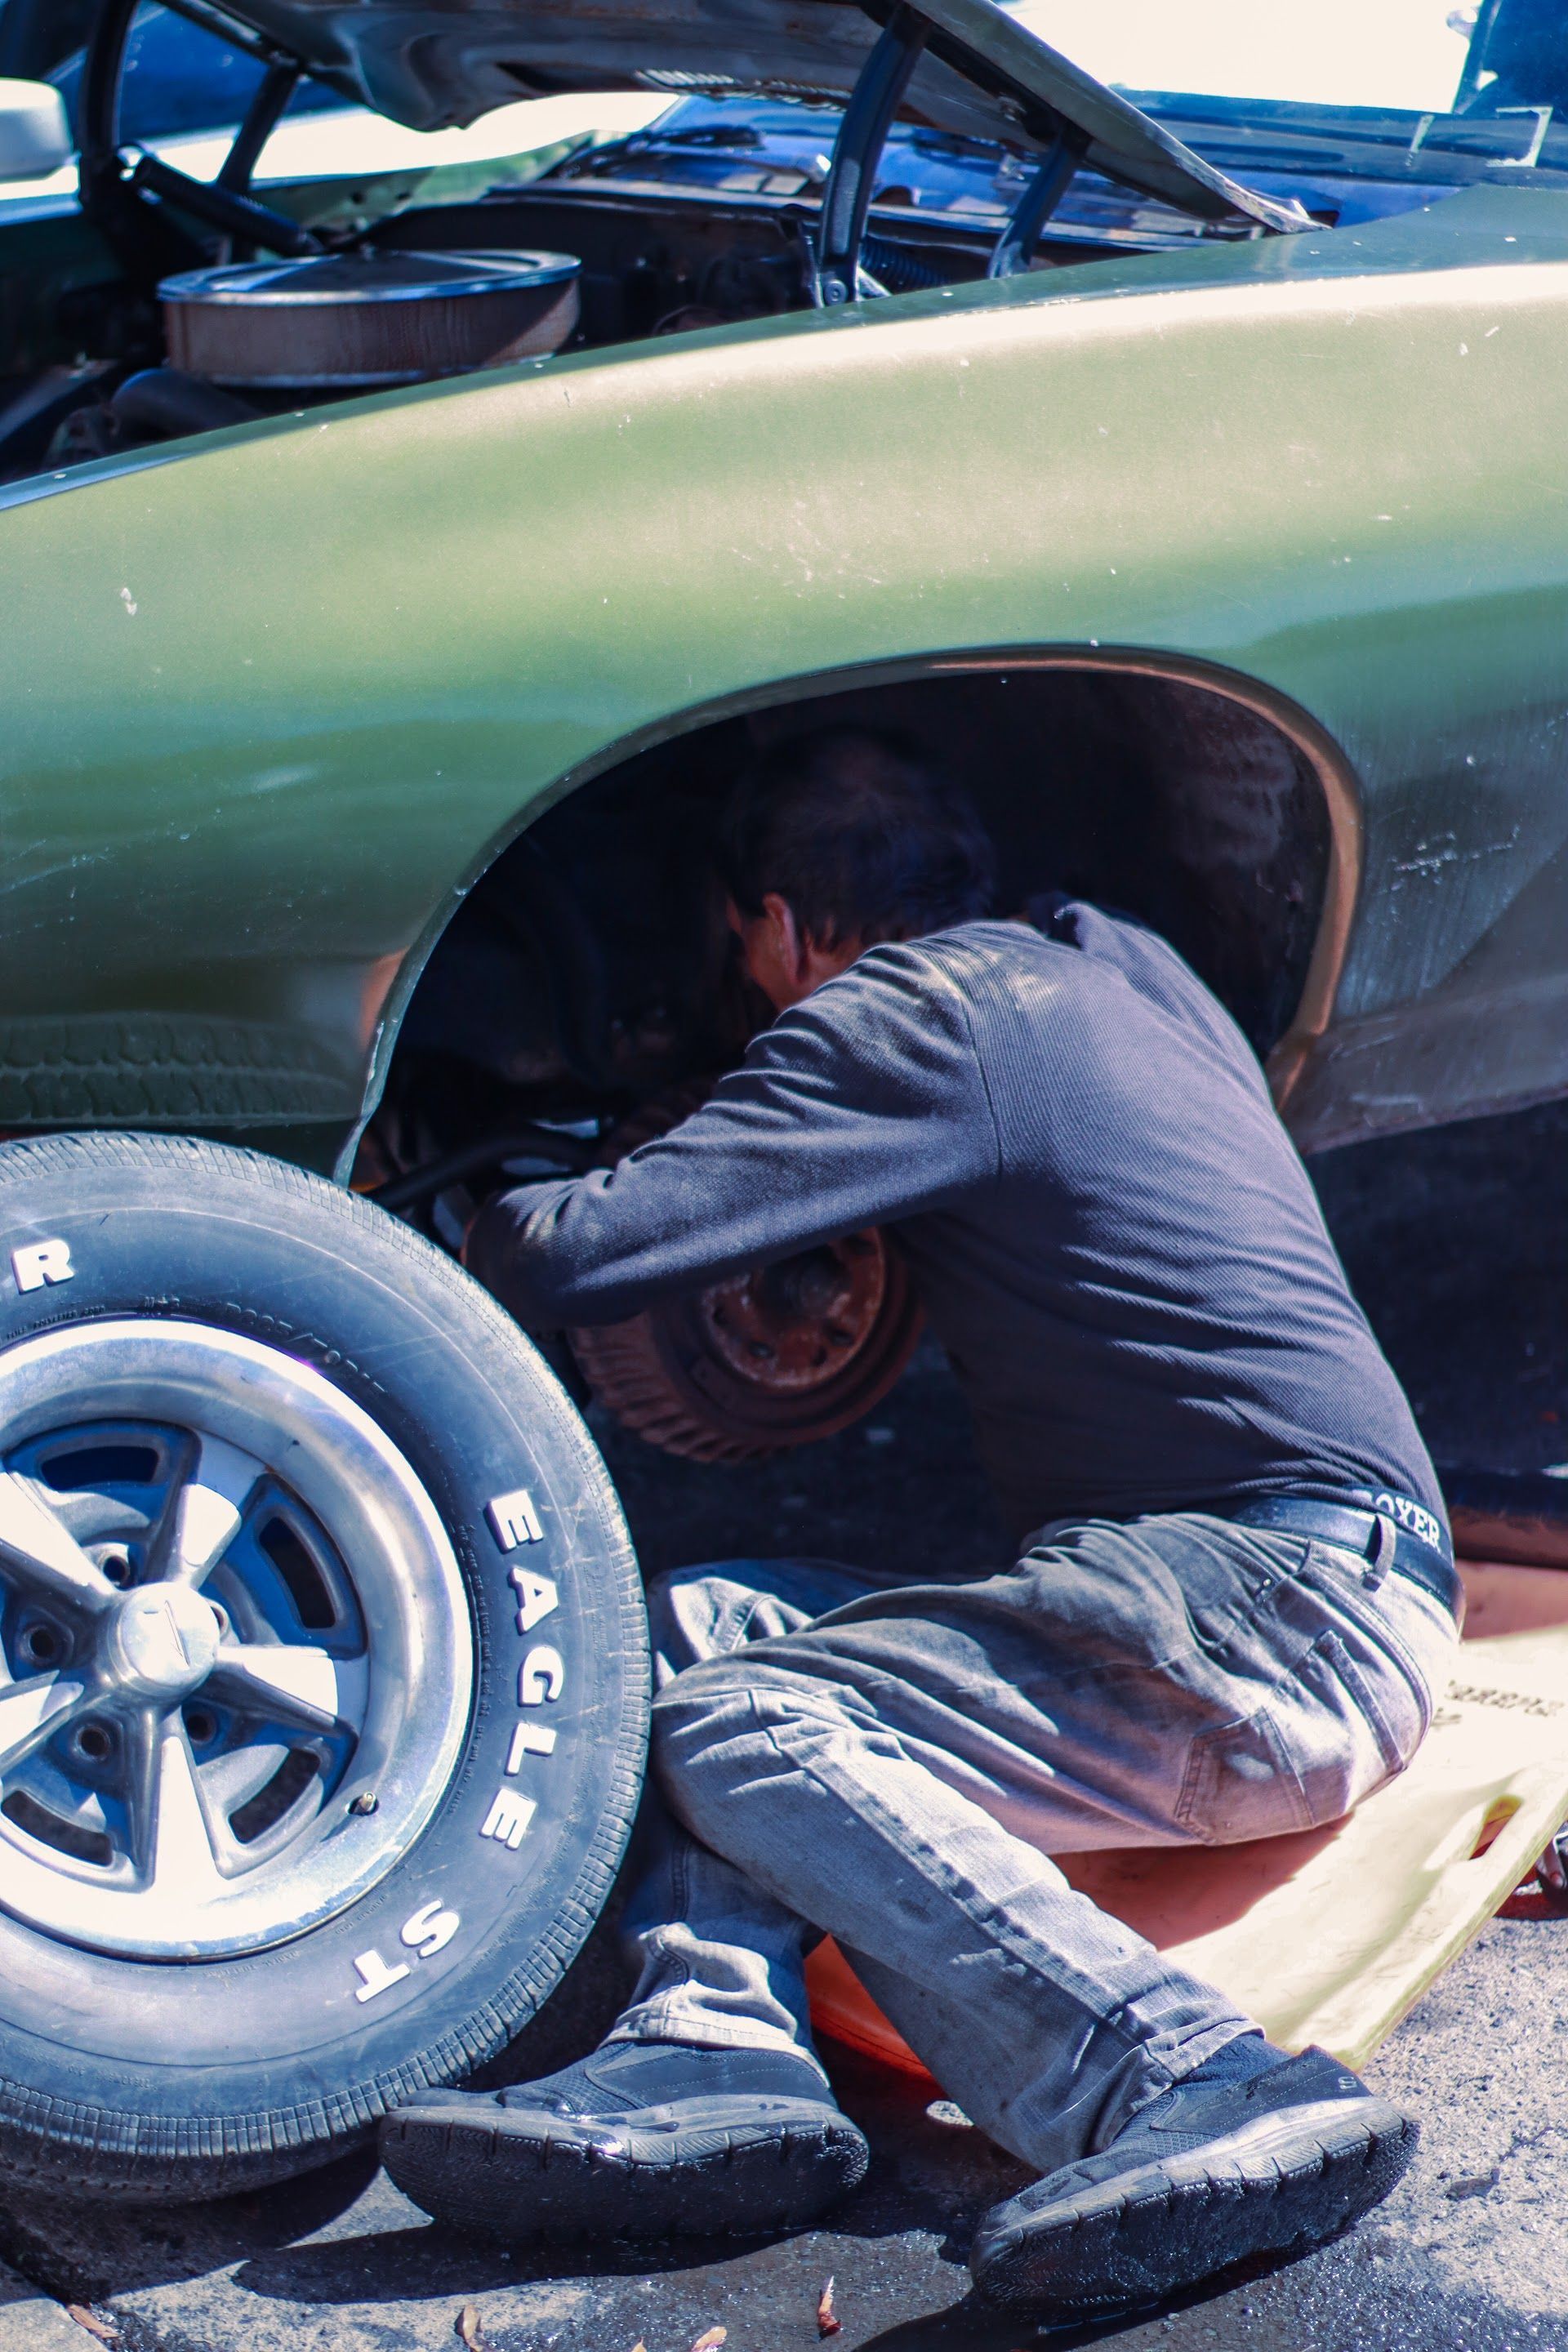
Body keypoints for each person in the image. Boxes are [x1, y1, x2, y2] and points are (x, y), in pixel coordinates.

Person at [381, 728, 1460, 2318]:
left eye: (753, 975)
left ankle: (1189, 2084)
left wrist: (446, 1184)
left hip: (1269, 1621)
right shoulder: (1122, 968)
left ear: (789, 927)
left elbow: (568, 1259)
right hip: (1297, 1589)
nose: (763, 1017)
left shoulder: (907, 1015)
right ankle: (714, 2054)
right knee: (691, 1624)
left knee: (745, 1721)